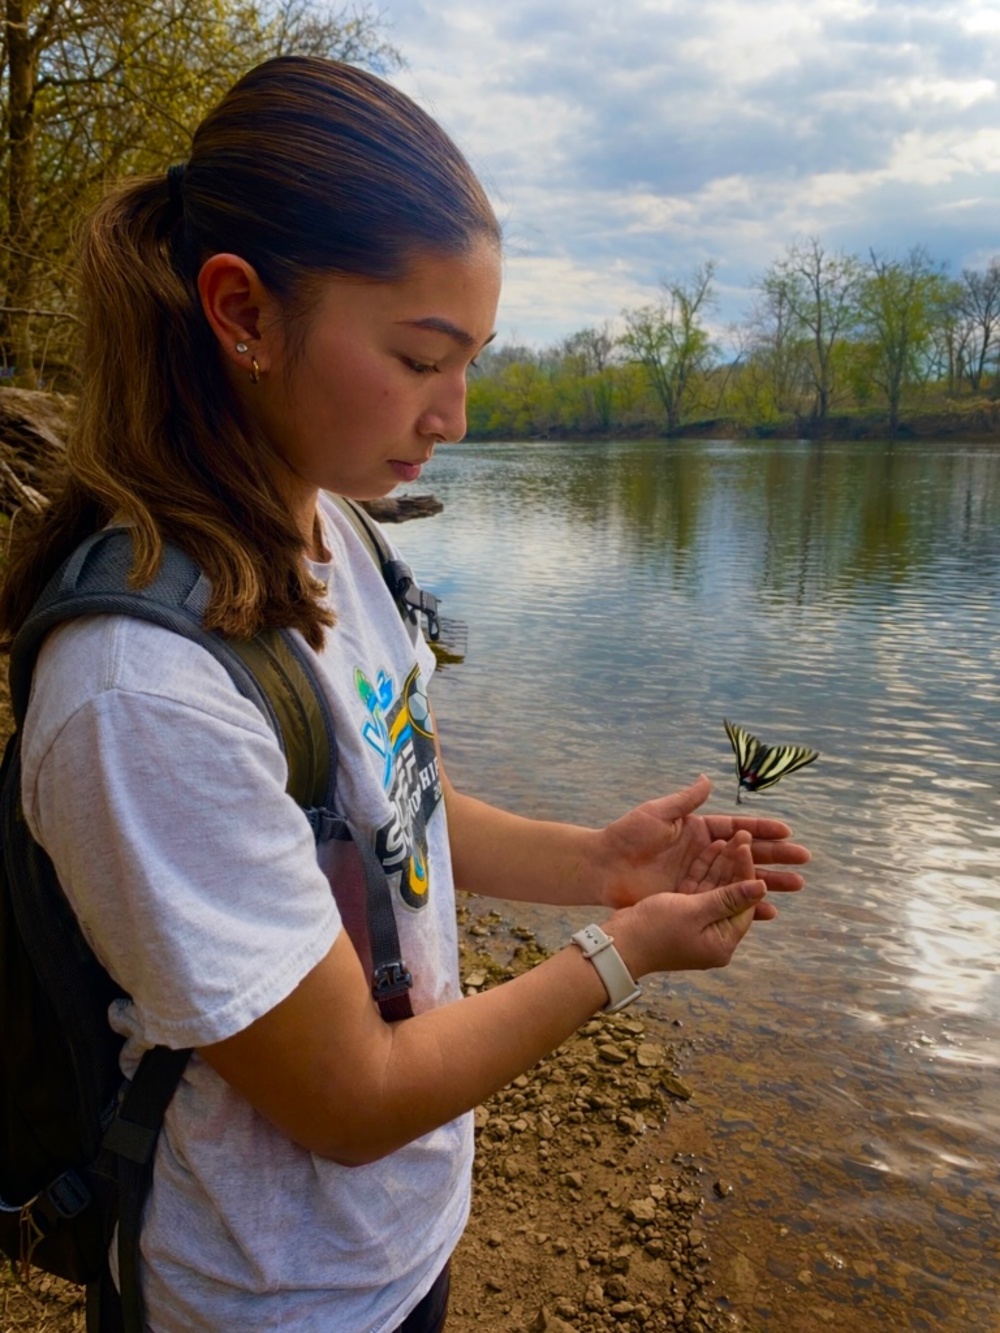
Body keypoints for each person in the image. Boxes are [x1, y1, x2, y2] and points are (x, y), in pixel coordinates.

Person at [0, 56, 810, 1333]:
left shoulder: (331, 528)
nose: (457, 415)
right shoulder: (138, 693)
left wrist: (603, 863)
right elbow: (353, 1096)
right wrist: (625, 952)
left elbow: (386, 809)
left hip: (390, 1244)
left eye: (472, 360)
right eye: (423, 356)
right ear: (242, 312)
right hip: (266, 1295)